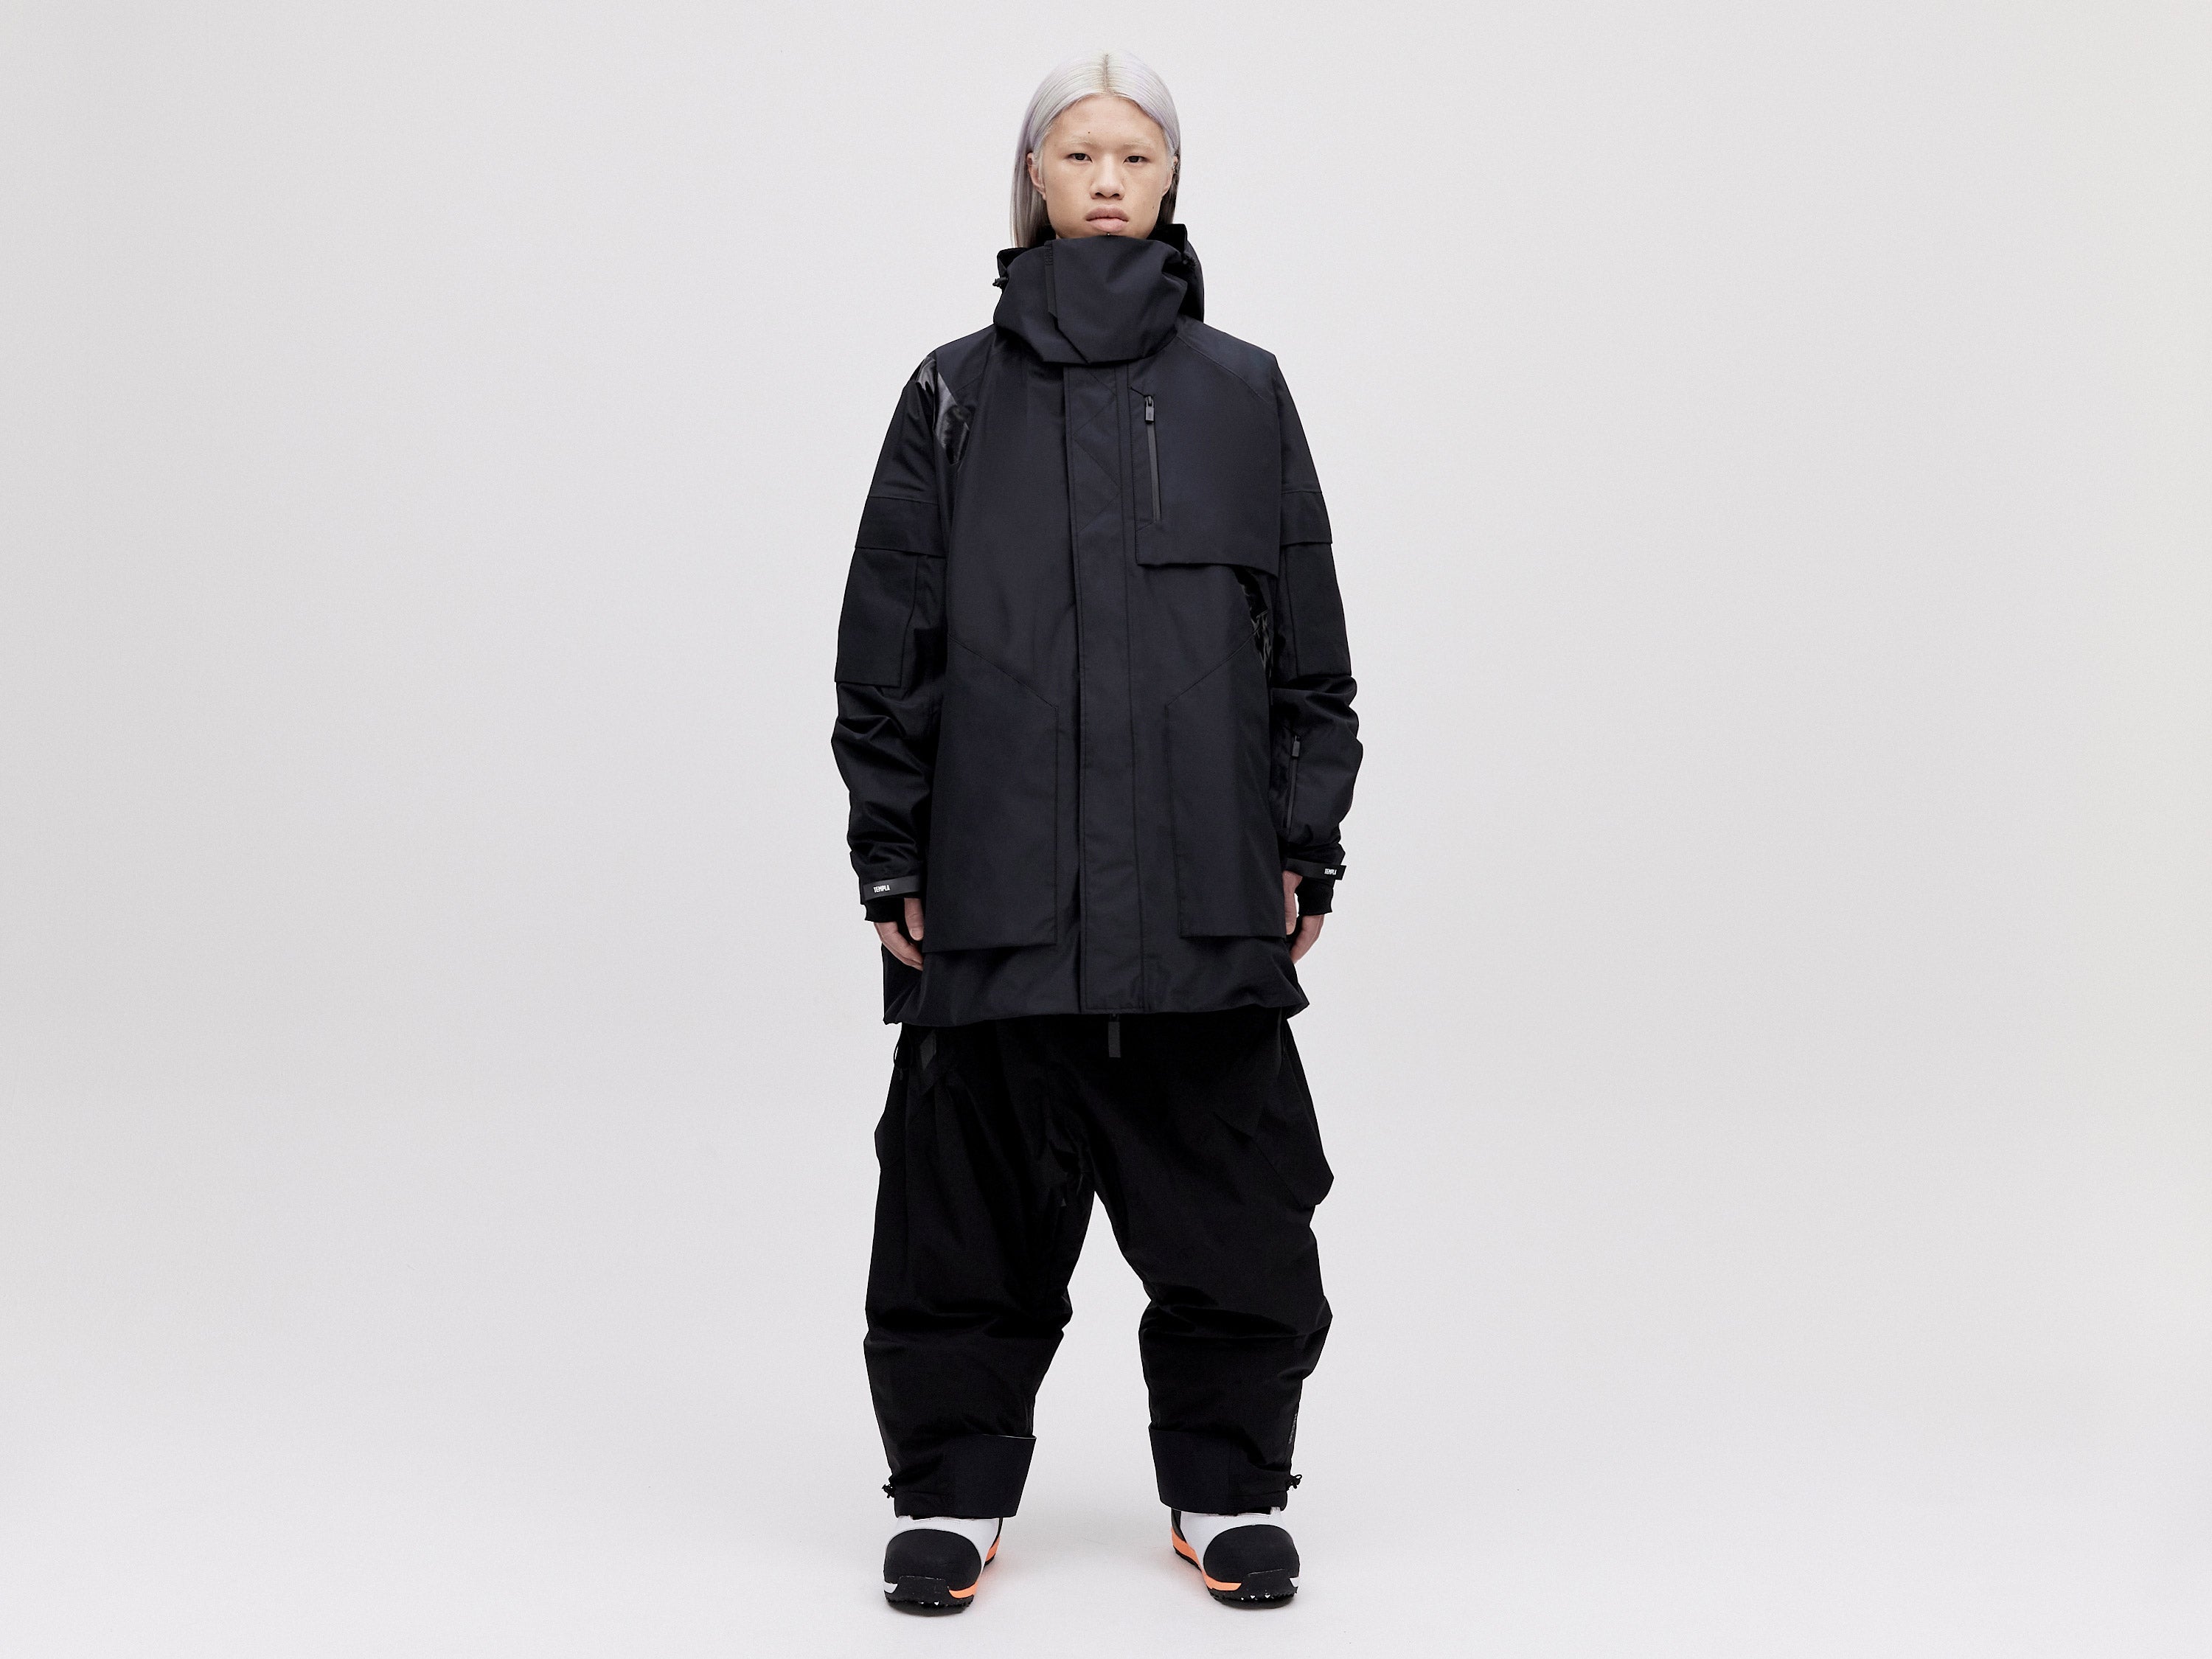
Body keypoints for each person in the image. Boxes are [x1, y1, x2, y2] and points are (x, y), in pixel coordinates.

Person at [830, 49, 1360, 1613]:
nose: (1110, 178)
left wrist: (1305, 842)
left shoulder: (1243, 392)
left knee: (1241, 1217)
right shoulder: (951, 394)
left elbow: (1310, 652)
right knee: (958, 1216)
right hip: (996, 901)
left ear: (1173, 177)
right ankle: (951, 1493)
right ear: (1035, 181)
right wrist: (892, 850)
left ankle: (1226, 1485)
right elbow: (888, 648)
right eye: (1079, 153)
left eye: (1137, 153)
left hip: (1201, 905)